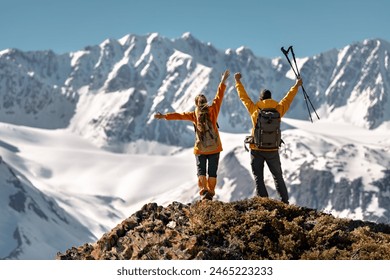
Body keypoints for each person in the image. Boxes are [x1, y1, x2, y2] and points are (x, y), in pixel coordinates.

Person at [155, 70, 230, 201]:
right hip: (215, 148)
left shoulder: (193, 115)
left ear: (196, 104)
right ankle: (211, 193)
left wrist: (164, 116)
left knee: (201, 171)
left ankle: (203, 192)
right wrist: (223, 81)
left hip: (200, 149)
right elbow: (219, 96)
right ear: (206, 102)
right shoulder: (213, 110)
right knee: (212, 172)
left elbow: (179, 115)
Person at [234, 72, 302, 204]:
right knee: (278, 176)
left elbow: (243, 97)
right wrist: (296, 86)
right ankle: (284, 201)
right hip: (273, 150)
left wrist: (238, 81)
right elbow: (288, 98)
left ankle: (263, 202)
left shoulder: (255, 110)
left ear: (260, 99)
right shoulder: (279, 109)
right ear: (271, 98)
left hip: (256, 148)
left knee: (258, 177)